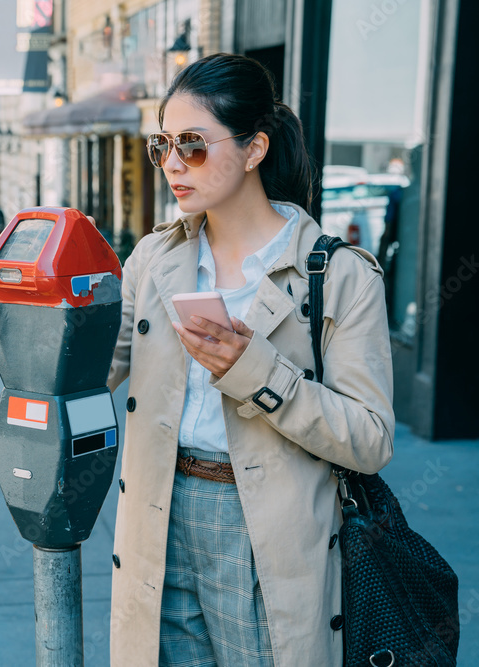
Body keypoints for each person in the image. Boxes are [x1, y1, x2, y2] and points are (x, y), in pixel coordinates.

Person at [107, 53, 394, 667]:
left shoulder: (337, 276)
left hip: (271, 532)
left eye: (193, 145)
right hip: (157, 519)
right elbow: (94, 369)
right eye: (163, 145)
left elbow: (370, 440)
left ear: (254, 148)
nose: (172, 165)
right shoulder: (154, 259)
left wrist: (255, 372)